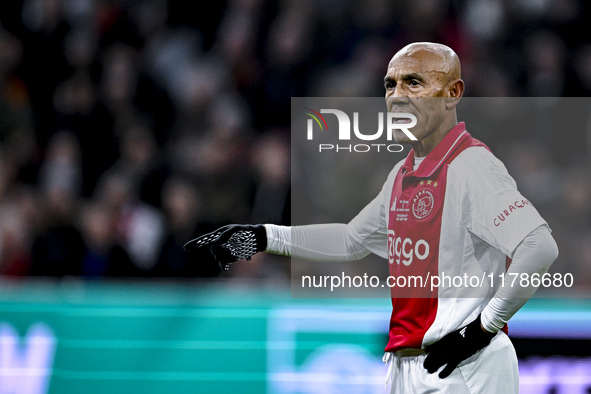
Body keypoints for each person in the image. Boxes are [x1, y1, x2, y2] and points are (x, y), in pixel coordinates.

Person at [184, 42, 559, 393]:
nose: (397, 95)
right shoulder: (403, 174)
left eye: (414, 82)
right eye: (390, 84)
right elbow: (351, 240)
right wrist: (264, 237)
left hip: (466, 366)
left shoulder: (471, 165)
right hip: (407, 365)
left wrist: (481, 329)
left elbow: (539, 247)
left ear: (453, 93)